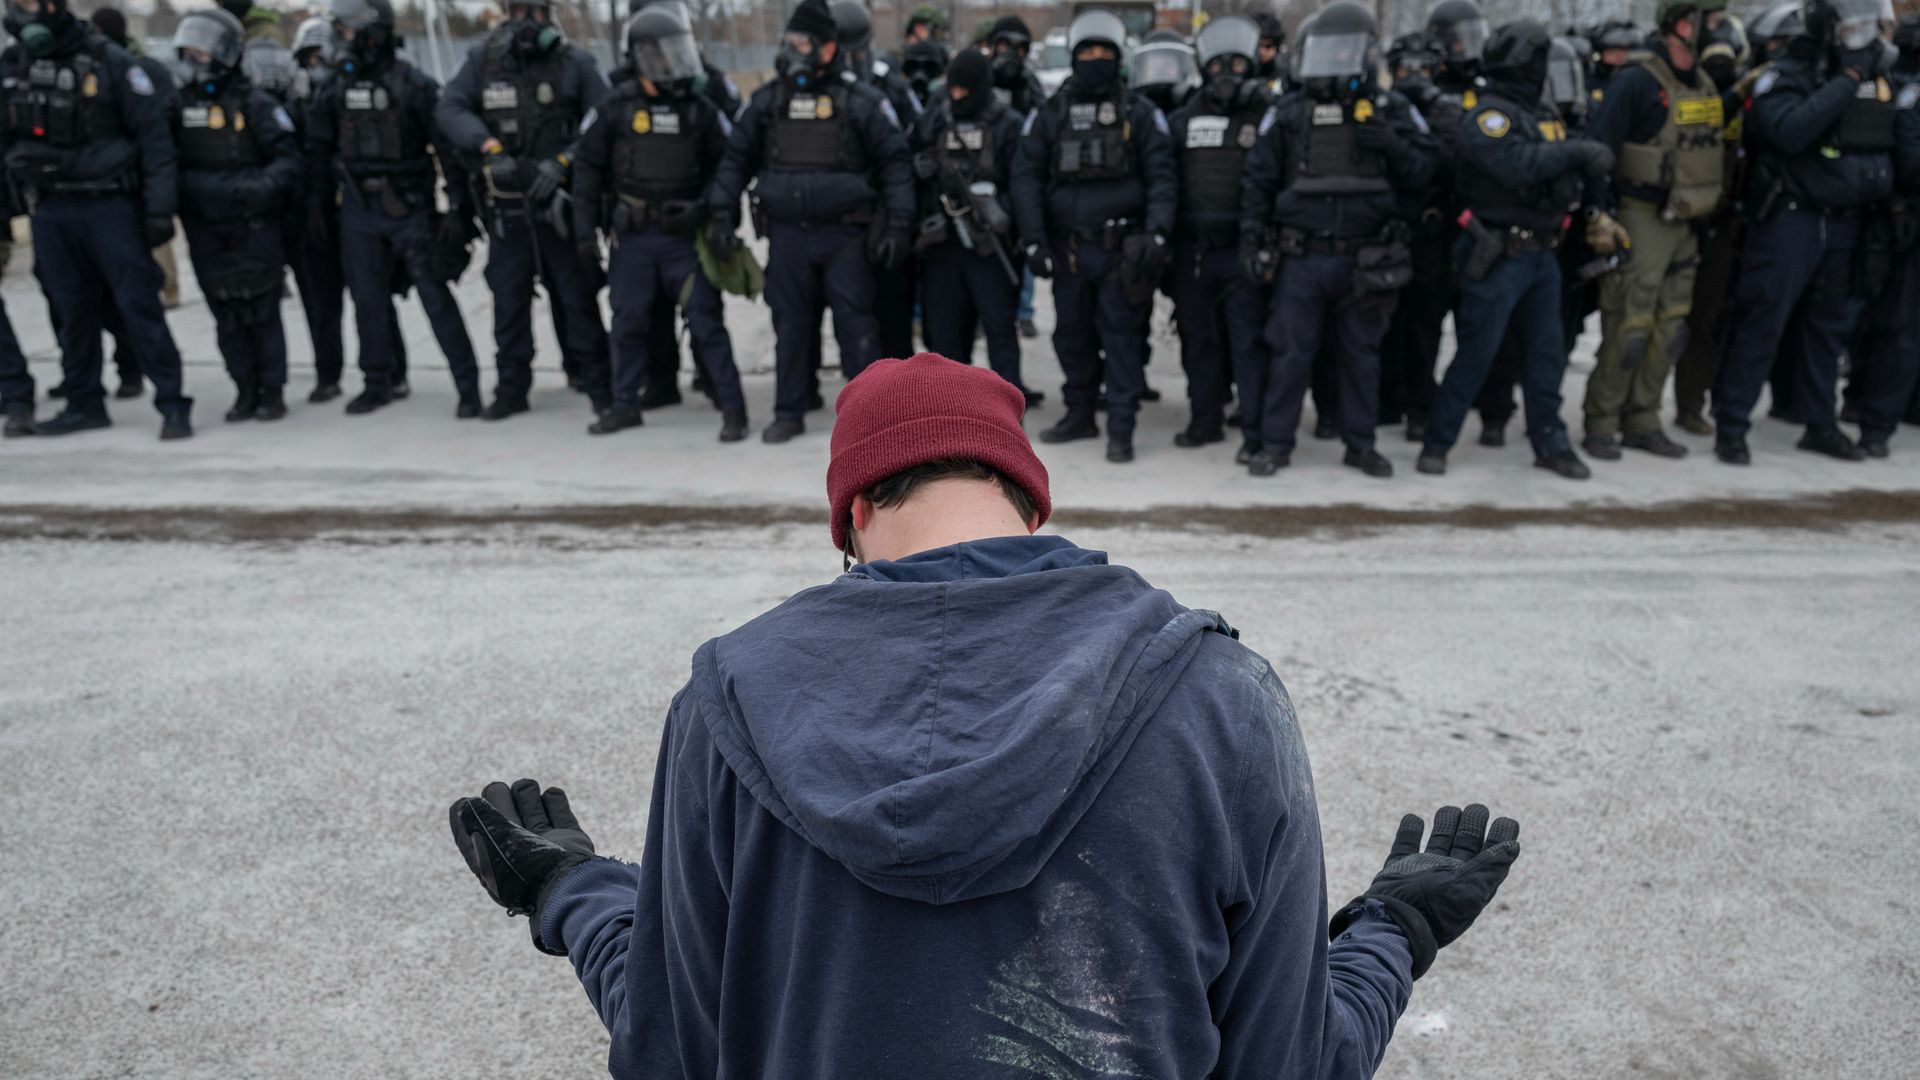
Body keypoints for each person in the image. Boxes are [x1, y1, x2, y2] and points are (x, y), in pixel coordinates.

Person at [449, 351, 1524, 1080]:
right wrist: (1395, 930)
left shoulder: (724, 703)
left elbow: (670, 1049)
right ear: (1028, 501)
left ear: (856, 508)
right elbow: (1283, 1064)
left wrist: (575, 892)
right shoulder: (1222, 702)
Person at [1239, 2, 1438, 479]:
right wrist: (1253, 243)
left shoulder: (1391, 110)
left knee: (1361, 357)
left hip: (1364, 256)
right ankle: (1275, 444)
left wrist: (1391, 142)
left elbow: (1429, 173)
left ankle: (1360, 444)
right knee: (1289, 355)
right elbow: (1257, 183)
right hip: (1301, 256)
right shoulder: (1289, 112)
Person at [1416, 19, 1619, 480]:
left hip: (1543, 254)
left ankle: (1550, 442)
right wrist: (1578, 154)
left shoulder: (1541, 112)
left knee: (1547, 357)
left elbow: (1560, 158)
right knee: (1476, 355)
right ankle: (1437, 442)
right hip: (1499, 256)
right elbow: (1516, 164)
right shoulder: (1491, 115)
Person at [705, 0, 913, 444]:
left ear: (827, 48)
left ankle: (868, 420)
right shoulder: (768, 100)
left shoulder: (862, 101)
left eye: (802, 42)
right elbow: (735, 159)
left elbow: (896, 163)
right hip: (787, 234)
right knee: (791, 326)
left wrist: (899, 224)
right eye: (790, 41)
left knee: (857, 327)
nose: (792, 50)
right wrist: (722, 213)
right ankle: (789, 410)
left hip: (846, 235)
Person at [1711, 0, 1896, 465]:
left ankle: (1819, 422)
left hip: (1844, 221)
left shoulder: (1865, 71)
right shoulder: (1787, 73)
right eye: (1853, 24)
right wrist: (1847, 81)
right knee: (1763, 321)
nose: (1862, 34)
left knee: (1828, 329)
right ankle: (1732, 423)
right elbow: (1791, 131)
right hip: (1790, 219)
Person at [2, 0, 193, 439]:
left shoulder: (109, 60)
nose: (26, 11)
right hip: (50, 208)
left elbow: (154, 139)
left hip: (109, 206)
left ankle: (172, 402)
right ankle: (83, 401)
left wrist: (159, 210)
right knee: (70, 310)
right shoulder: (17, 64)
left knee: (138, 305)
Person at [572, 3, 747, 441]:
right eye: (660, 54)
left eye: (676, 51)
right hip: (631, 238)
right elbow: (587, 169)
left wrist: (710, 211)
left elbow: (726, 168)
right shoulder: (614, 107)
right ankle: (624, 404)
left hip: (684, 239)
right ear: (639, 57)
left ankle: (734, 410)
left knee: (706, 322)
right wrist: (583, 231)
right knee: (629, 323)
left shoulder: (701, 108)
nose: (671, 62)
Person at [1012, 7, 1176, 464]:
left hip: (1122, 250)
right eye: (1089, 51)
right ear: (1076, 55)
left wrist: (1156, 234)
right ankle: (1080, 413)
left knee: (1121, 338)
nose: (1097, 58)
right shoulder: (1051, 112)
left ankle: (1120, 426)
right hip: (1068, 251)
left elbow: (1163, 176)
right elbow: (1026, 177)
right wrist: (1034, 240)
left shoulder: (1138, 112)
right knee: (1072, 336)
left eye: (1106, 51)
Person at [305, 0, 483, 417]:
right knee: (368, 300)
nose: (340, 41)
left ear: (371, 33)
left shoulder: (413, 84)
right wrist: (316, 203)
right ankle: (378, 381)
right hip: (358, 208)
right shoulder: (335, 88)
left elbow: (446, 147)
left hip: (409, 208)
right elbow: (318, 149)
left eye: (347, 31)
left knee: (435, 296)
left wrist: (458, 206)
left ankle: (468, 386)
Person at [436, 0, 611, 421]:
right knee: (509, 303)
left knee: (577, 300)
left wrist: (566, 160)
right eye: (518, 11)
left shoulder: (575, 62)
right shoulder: (484, 62)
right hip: (508, 209)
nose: (526, 23)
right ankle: (512, 389)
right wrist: (489, 147)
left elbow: (604, 116)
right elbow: (449, 109)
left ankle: (598, 385)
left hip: (559, 207)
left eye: (535, 12)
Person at [1578, 0, 1735, 462]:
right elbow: (1597, 149)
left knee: (1670, 329)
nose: (1719, 29)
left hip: (1687, 222)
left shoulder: (1702, 83)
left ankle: (1642, 418)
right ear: (1682, 25)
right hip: (1641, 217)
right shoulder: (1637, 81)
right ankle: (1602, 421)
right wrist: (1597, 213)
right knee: (1629, 322)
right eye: (1711, 20)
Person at [170, 7, 302, 423]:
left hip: (252, 223)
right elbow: (163, 161)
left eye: (201, 51)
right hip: (206, 226)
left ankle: (272, 390)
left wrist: (260, 188)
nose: (194, 59)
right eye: (188, 51)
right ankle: (244, 388)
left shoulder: (256, 104)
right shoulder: (177, 107)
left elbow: (288, 158)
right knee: (226, 314)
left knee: (261, 309)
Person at [1167, 15, 1272, 460]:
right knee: (1198, 340)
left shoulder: (1266, 116)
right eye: (1217, 65)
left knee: (1248, 343)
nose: (1227, 74)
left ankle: (1254, 429)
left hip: (1242, 249)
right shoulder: (1183, 117)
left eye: (1237, 64)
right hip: (1193, 251)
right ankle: (1205, 418)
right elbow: (1164, 180)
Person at [911, 49, 1031, 400]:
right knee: (945, 339)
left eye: (965, 91)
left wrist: (998, 211)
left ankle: (1008, 414)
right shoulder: (935, 120)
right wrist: (922, 171)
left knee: (1000, 334)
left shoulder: (1008, 124)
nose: (957, 97)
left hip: (990, 248)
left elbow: (1024, 182)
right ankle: (953, 410)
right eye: (953, 90)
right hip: (943, 248)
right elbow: (906, 164)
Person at [833, 0, 921, 361]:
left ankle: (899, 381)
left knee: (893, 308)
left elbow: (913, 141)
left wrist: (901, 219)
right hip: (845, 216)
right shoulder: (825, 85)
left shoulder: (889, 84)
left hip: (885, 212)